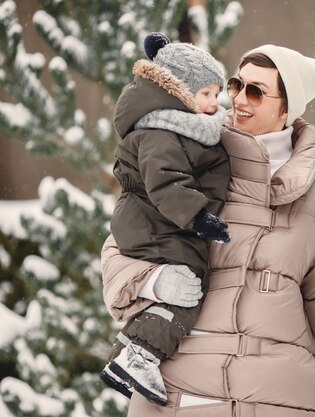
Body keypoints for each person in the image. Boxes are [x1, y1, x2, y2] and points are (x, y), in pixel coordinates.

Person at [100, 44, 315, 417]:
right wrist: (155, 281)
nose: (239, 99)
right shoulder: (185, 157)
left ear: (287, 107)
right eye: (236, 85)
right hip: (179, 398)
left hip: (280, 399)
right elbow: (121, 248)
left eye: (256, 91)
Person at [99, 32, 232, 406]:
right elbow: (166, 182)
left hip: (153, 220)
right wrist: (200, 218)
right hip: (153, 222)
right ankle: (141, 356)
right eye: (205, 93)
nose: (214, 102)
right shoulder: (160, 130)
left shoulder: (180, 126)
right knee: (188, 289)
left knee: (183, 287)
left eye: (216, 92)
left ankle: (125, 355)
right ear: (179, 91)